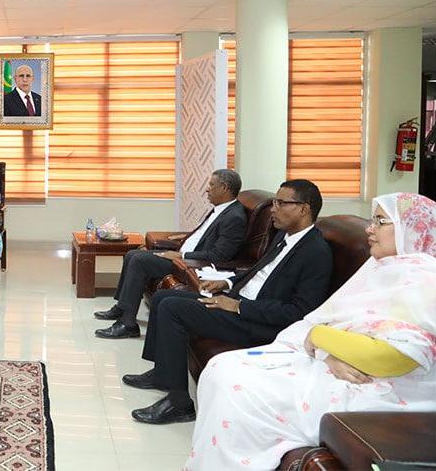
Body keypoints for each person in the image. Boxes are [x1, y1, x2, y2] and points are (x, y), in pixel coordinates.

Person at [185, 192, 436, 470]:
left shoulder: (424, 280)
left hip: (382, 389)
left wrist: (320, 339)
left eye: (380, 221)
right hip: (338, 363)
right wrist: (327, 352)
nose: (369, 228)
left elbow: (392, 357)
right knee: (220, 367)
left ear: (412, 229)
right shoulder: (381, 268)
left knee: (237, 386)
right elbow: (322, 322)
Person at [122, 179, 333, 425]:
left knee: (172, 308)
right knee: (162, 297)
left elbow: (299, 312)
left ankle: (180, 404)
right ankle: (162, 373)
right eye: (274, 202)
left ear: (303, 208)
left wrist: (239, 306)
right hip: (239, 301)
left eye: (280, 203)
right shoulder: (284, 237)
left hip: (258, 321)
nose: (273, 209)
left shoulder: (316, 252)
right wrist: (227, 283)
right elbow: (257, 271)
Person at [95, 169, 247, 338]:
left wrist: (182, 256)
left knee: (139, 260)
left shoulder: (235, 217)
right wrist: (185, 238)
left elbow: (219, 256)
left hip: (192, 264)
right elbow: (205, 236)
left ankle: (127, 324)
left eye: (211, 185)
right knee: (132, 254)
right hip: (183, 256)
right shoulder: (221, 209)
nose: (207, 189)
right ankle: (121, 308)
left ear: (224, 188)